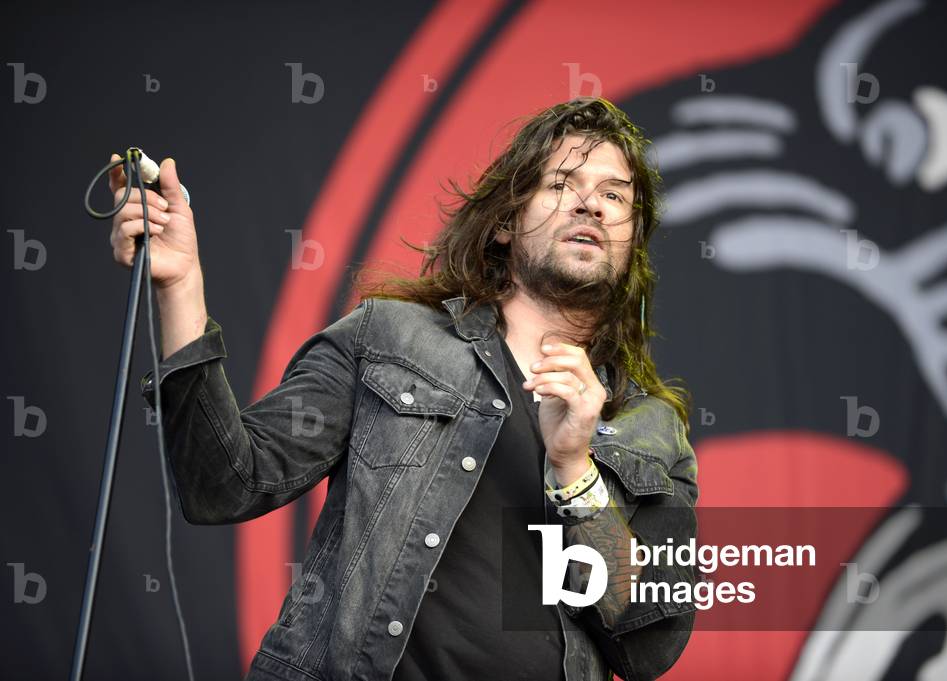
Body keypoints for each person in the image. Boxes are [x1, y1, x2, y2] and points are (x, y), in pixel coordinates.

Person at [107, 97, 699, 681]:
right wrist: (180, 286)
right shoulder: (389, 338)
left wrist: (576, 472)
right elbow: (224, 486)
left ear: (631, 245)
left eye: (615, 194)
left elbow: (648, 649)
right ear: (503, 224)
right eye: (563, 183)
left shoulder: (654, 430)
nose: (591, 204)